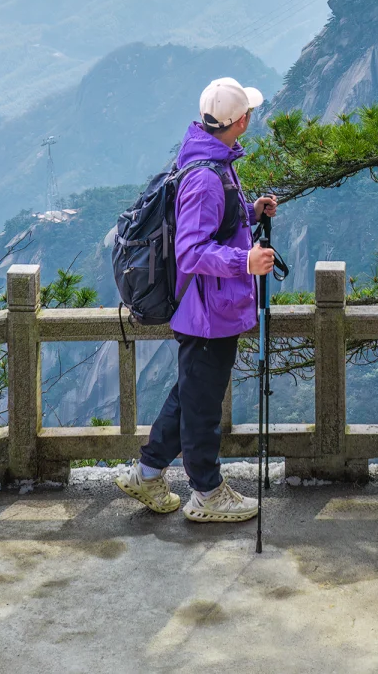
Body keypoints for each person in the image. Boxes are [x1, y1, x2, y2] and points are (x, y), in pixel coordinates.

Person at [115, 76, 277, 522]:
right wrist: (246, 261)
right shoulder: (207, 176)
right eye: (249, 113)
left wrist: (250, 212)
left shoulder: (208, 159)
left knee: (190, 395)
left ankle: (146, 473)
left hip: (208, 309)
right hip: (208, 313)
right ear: (239, 120)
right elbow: (192, 250)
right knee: (202, 408)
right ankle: (206, 493)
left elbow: (216, 221)